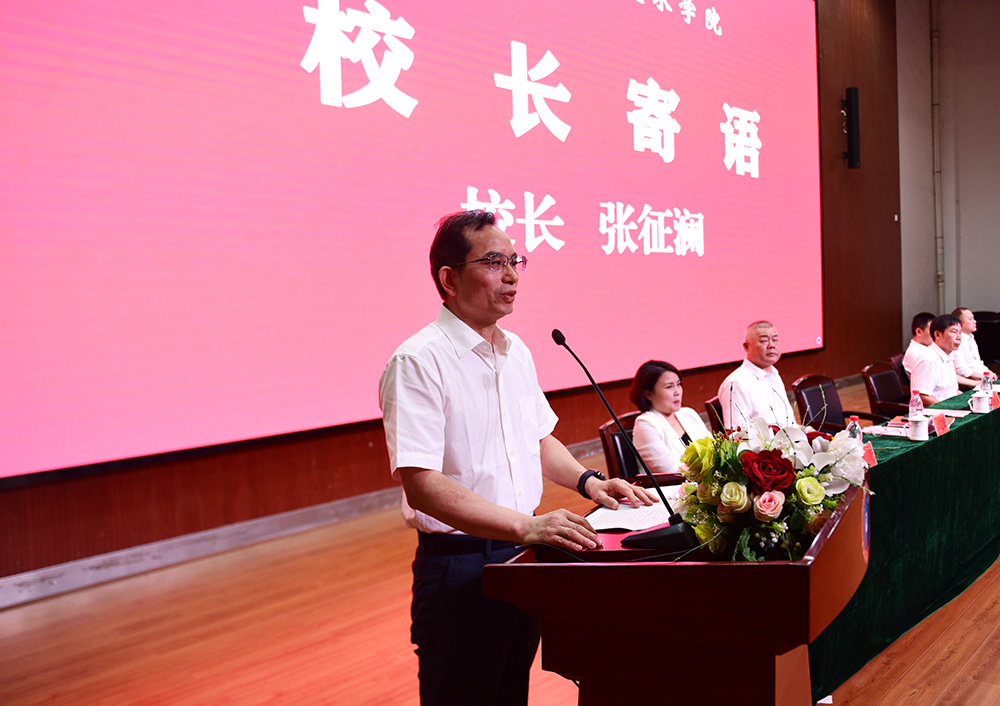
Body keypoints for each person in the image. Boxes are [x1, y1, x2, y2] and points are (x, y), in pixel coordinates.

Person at [379, 209, 656, 706]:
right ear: (449, 279)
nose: (511, 275)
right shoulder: (418, 361)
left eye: (515, 261)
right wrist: (526, 526)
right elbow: (422, 484)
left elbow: (539, 440)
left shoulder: (516, 351)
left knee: (510, 694)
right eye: (493, 262)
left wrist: (590, 482)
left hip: (523, 557)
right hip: (461, 566)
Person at [630, 360, 712, 475]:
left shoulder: (689, 414)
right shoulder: (645, 424)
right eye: (669, 387)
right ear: (648, 394)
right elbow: (673, 472)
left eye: (678, 384)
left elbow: (715, 450)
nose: (677, 392)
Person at [717, 321, 797, 430]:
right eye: (764, 341)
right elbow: (736, 433)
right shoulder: (737, 383)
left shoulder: (774, 374)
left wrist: (807, 431)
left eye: (775, 340)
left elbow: (788, 423)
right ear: (747, 347)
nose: (771, 345)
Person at [910, 314, 964, 406]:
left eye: (960, 332)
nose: (959, 337)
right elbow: (922, 396)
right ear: (937, 335)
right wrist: (949, 408)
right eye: (954, 332)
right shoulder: (928, 359)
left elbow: (951, 391)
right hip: (936, 412)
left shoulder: (948, 356)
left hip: (949, 407)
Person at [951, 307, 996, 382]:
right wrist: (984, 377)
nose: (975, 321)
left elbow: (977, 363)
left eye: (974, 318)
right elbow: (960, 369)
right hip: (968, 382)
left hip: (980, 378)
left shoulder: (971, 337)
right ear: (959, 323)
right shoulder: (957, 340)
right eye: (970, 319)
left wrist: (989, 373)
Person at [902, 311, 935, 377]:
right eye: (932, 330)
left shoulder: (927, 348)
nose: (935, 334)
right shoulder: (915, 353)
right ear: (919, 332)